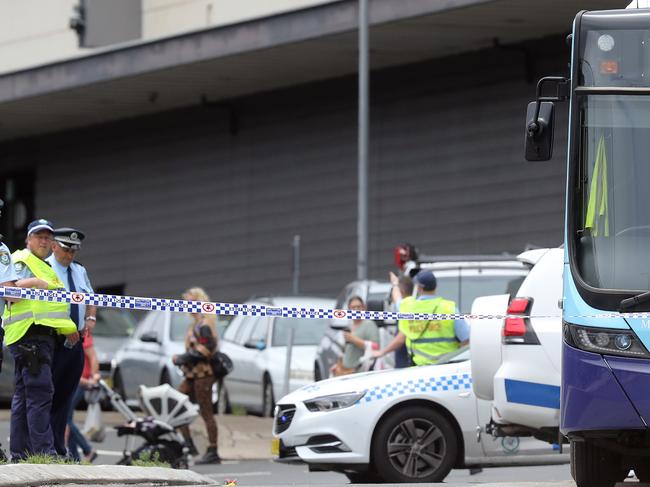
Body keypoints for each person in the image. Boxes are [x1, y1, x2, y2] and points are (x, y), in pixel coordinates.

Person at [2, 219, 78, 460]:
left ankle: (20, 454)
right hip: (29, 335)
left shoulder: (42, 266)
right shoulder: (22, 261)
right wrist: (36, 283)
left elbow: (53, 307)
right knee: (40, 394)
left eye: (47, 237)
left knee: (25, 397)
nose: (44, 241)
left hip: (36, 336)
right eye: (39, 236)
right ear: (28, 239)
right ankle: (43, 452)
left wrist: (67, 327)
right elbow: (10, 291)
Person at [46, 227, 96, 458]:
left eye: (74, 251)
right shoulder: (45, 269)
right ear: (54, 246)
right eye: (66, 250)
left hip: (76, 342)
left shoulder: (79, 270)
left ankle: (58, 447)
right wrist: (64, 329)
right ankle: (43, 446)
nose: (70, 255)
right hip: (53, 340)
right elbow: (45, 307)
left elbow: (90, 297)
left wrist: (90, 317)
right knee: (48, 395)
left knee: (66, 397)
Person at [374, 269, 469, 366]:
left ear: (419, 288)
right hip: (447, 369)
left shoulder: (408, 307)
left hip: (420, 371)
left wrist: (395, 283)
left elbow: (397, 297)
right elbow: (466, 340)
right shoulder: (450, 308)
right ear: (435, 286)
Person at [172, 287, 221, 465]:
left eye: (191, 302)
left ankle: (213, 450)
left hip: (203, 375)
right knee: (177, 405)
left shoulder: (205, 325)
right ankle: (189, 444)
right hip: (192, 374)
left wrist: (182, 358)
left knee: (206, 412)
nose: (188, 306)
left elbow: (207, 349)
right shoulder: (196, 324)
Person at [66, 331, 99, 462]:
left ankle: (87, 449)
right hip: (75, 381)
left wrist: (94, 376)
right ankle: (75, 458)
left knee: (65, 419)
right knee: (67, 419)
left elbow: (93, 357)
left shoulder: (83, 333)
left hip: (80, 382)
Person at [330, 296, 379, 376]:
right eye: (353, 307)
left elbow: (376, 347)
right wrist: (338, 366)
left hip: (360, 373)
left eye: (358, 307)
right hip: (345, 371)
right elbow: (345, 350)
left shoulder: (369, 325)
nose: (356, 310)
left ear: (363, 308)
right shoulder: (349, 325)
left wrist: (354, 340)